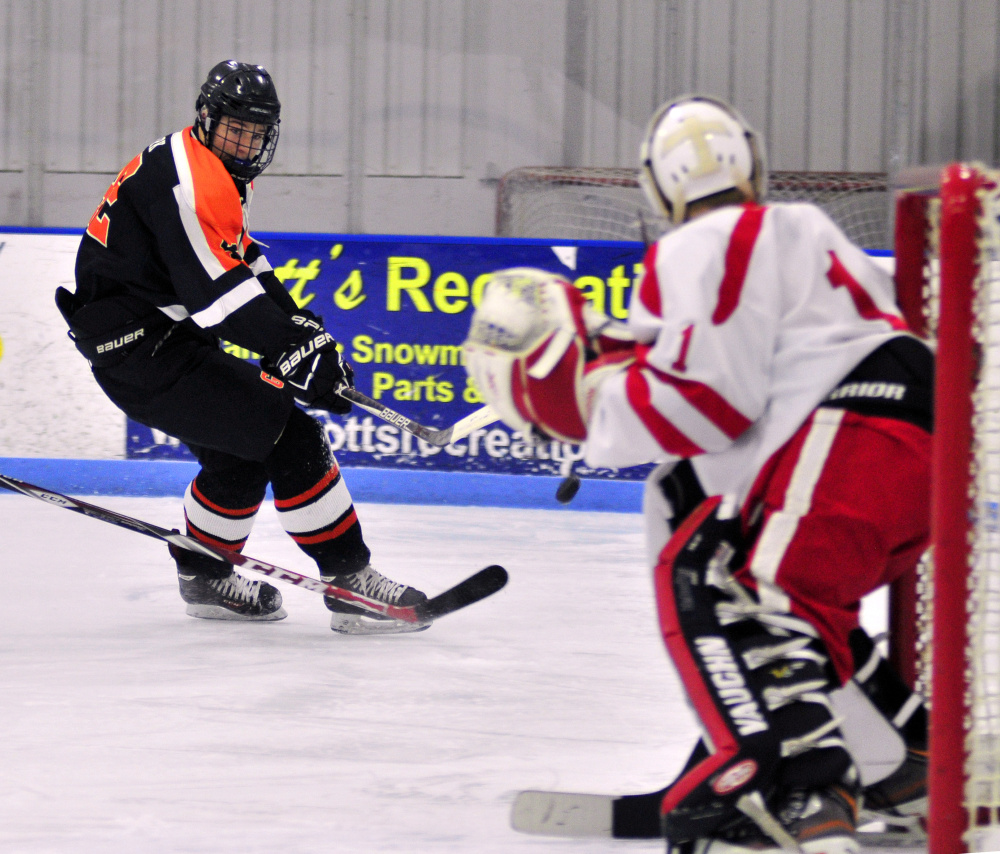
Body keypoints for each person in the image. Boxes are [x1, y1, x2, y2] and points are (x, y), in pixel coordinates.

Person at [463, 95, 931, 852]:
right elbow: (738, 390)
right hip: (916, 438)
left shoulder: (695, 247)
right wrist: (607, 367)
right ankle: (906, 761)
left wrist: (585, 405)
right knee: (803, 608)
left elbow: (709, 402)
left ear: (656, 185)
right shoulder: (805, 229)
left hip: (857, 428)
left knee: (750, 595)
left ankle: (806, 789)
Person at [55, 59, 427, 634]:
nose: (247, 141)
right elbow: (217, 299)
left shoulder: (209, 167)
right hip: (143, 349)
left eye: (257, 132)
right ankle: (352, 583)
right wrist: (288, 347)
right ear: (206, 117)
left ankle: (205, 578)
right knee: (290, 434)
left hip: (153, 341)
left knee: (241, 451)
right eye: (236, 128)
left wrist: (301, 330)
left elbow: (243, 262)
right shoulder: (191, 178)